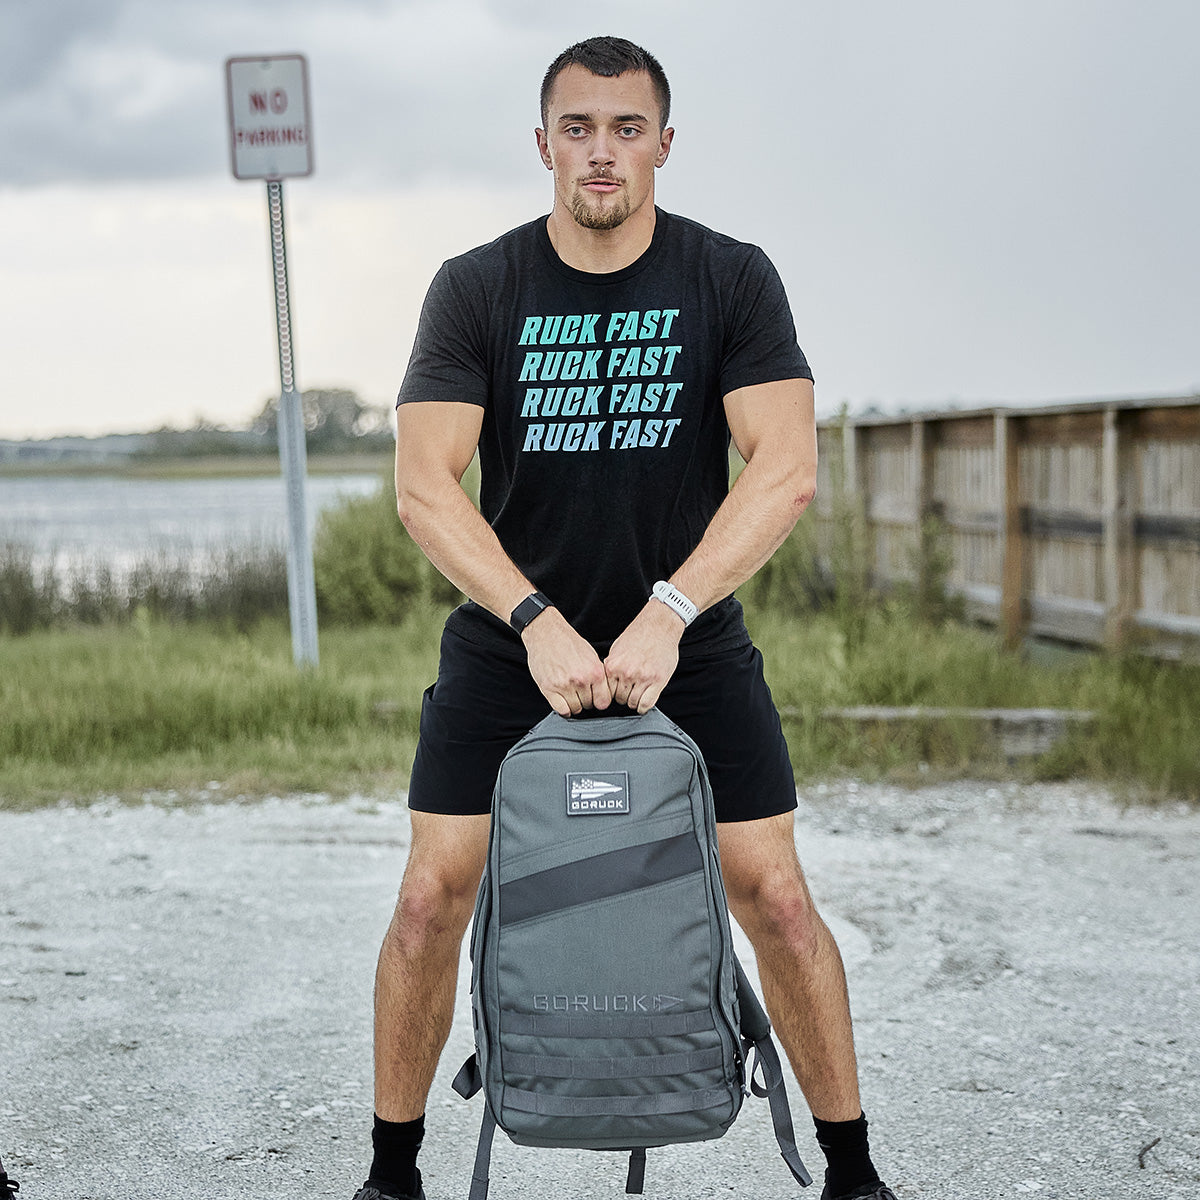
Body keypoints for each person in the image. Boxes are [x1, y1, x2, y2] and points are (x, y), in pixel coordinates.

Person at [352, 36, 897, 1200]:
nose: (602, 152)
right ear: (543, 143)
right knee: (426, 895)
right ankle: (391, 1175)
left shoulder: (731, 279)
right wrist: (534, 617)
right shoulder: (478, 285)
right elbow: (423, 482)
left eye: (627, 127)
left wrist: (671, 609)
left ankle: (854, 1173)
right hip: (514, 638)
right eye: (580, 128)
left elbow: (786, 467)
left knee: (779, 898)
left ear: (663, 142)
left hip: (686, 638)